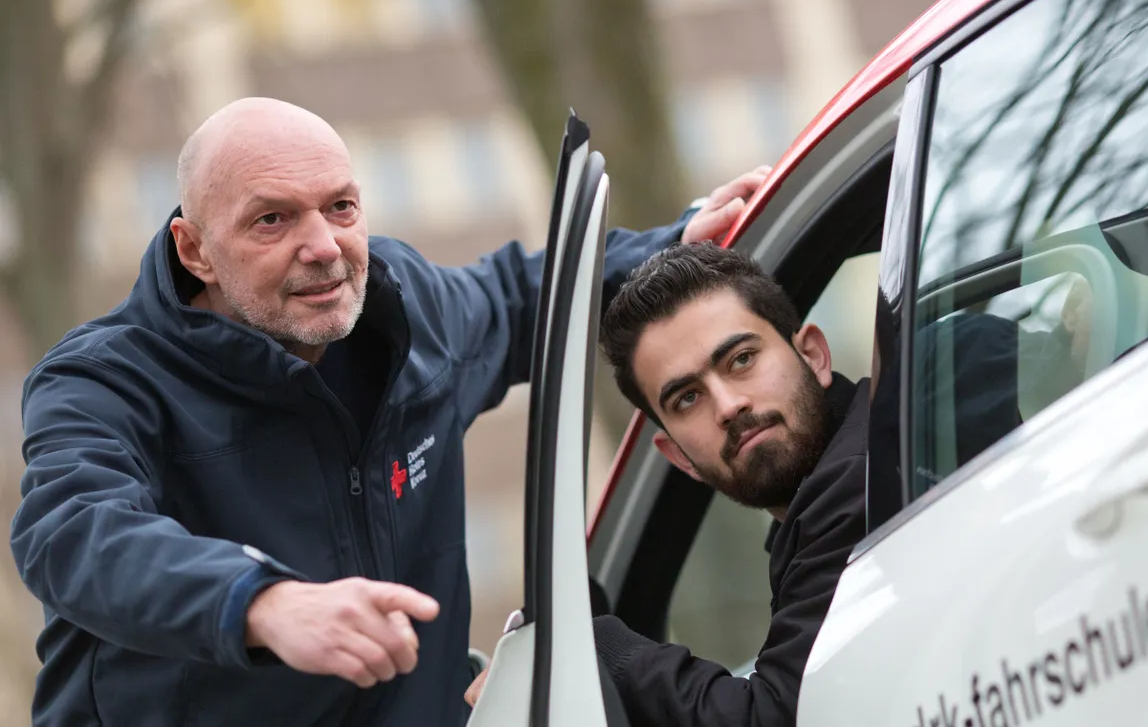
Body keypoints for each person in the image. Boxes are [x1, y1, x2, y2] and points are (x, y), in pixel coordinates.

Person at [8, 96, 768, 727]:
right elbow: (74, 532)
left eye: (339, 207)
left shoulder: (406, 312)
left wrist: (669, 244)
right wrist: (262, 603)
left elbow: (519, 297)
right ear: (195, 249)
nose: (323, 248)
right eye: (271, 220)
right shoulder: (103, 380)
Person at [467, 242, 869, 726]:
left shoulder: (863, 480)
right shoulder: (832, 498)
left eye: (741, 359)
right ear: (679, 457)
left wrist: (592, 644)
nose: (727, 406)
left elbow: (774, 719)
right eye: (686, 398)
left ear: (814, 356)